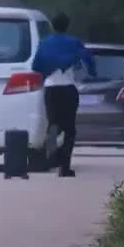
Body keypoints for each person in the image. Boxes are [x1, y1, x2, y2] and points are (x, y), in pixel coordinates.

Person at [32, 12, 96, 177]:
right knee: (69, 129)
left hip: (51, 88)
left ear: (53, 26)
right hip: (68, 88)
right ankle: (64, 166)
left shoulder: (45, 43)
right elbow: (88, 60)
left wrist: (47, 71)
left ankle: (52, 157)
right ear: (68, 26)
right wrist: (92, 72)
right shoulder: (74, 42)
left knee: (53, 124)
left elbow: (36, 65)